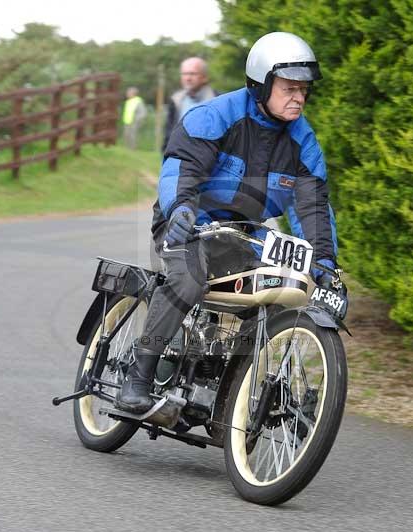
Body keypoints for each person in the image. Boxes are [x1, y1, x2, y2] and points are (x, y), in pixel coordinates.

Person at [116, 32, 339, 414]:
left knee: (276, 291)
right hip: (188, 224)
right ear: (262, 83)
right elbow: (181, 172)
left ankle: (228, 399)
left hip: (245, 237)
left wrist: (324, 263)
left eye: (304, 89)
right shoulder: (215, 116)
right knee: (187, 278)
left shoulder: (304, 142)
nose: (299, 97)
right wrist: (181, 209)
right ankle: (138, 378)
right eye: (289, 88)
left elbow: (312, 208)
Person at [162, 57, 217, 152]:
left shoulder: (218, 101)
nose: (188, 78)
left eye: (193, 74)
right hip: (178, 155)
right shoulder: (176, 100)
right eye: (184, 74)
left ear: (204, 77)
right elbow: (169, 132)